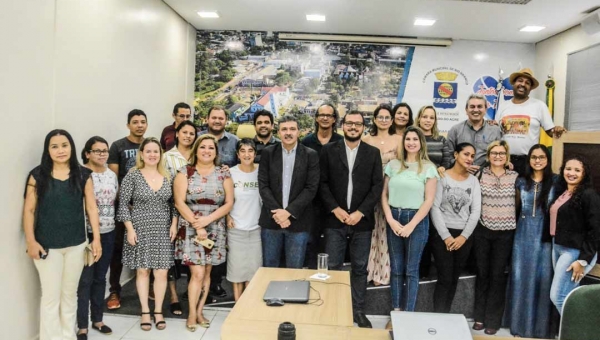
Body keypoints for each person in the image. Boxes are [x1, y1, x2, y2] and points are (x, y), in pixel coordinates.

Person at [23, 130, 102, 340]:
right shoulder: (37, 175)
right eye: (54, 146)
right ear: (47, 150)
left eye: (64, 145)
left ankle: (68, 336)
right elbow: (29, 210)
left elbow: (92, 209)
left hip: (76, 244)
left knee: (69, 295)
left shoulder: (83, 174)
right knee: (51, 297)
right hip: (47, 246)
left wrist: (97, 240)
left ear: (72, 147)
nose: (60, 150)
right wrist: (31, 241)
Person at [319, 111, 383, 328]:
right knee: (334, 266)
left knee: (359, 267)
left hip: (361, 221)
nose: (353, 127)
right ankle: (333, 308)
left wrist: (361, 212)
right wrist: (335, 209)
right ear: (342, 126)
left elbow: (377, 186)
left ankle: (358, 311)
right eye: (349, 123)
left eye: (357, 124)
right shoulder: (329, 151)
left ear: (363, 127)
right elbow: (322, 183)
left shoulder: (373, 153)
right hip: (334, 220)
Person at [173, 134, 234, 331]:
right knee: (197, 273)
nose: (207, 151)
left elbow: (229, 202)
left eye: (211, 148)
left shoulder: (223, 174)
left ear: (216, 152)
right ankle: (191, 313)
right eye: (203, 147)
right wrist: (198, 225)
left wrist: (208, 220)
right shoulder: (184, 172)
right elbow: (179, 202)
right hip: (192, 227)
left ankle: (200, 311)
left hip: (215, 227)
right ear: (196, 150)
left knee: (207, 271)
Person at [118, 137, 177, 331]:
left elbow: (175, 204)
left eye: (156, 151)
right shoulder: (133, 175)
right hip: (139, 228)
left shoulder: (168, 175)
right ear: (141, 154)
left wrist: (174, 224)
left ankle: (158, 310)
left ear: (160, 155)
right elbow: (123, 204)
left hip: (162, 228)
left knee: (161, 272)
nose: (152, 155)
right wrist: (129, 229)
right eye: (148, 151)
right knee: (143, 271)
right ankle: (144, 310)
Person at [382, 126, 438, 326]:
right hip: (394, 217)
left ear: (421, 142)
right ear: (403, 142)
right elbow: (384, 195)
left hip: (417, 220)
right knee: (396, 269)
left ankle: (409, 316)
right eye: (408, 139)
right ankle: (396, 313)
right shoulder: (393, 165)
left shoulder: (428, 168)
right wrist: (389, 218)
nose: (411, 142)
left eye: (415, 139)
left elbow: (429, 200)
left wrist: (411, 225)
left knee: (411, 270)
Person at [507, 144, 556, 338]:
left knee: (543, 278)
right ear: (529, 160)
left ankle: (540, 328)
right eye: (534, 157)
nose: (537, 160)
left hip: (545, 237)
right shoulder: (520, 181)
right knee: (520, 277)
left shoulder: (556, 182)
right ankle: (520, 326)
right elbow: (516, 209)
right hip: (523, 235)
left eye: (541, 157)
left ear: (547, 159)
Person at [259, 115, 320, 268]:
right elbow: (263, 186)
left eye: (292, 129)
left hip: (298, 222)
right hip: (272, 222)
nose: (288, 133)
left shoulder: (310, 155)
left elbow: (311, 188)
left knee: (295, 269)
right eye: (284, 129)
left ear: (299, 132)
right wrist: (278, 214)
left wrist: (288, 212)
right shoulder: (268, 153)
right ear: (278, 132)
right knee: (270, 267)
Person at [472, 141, 518, 335]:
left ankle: (493, 320)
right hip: (483, 231)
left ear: (507, 156)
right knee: (482, 274)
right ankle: (479, 317)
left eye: (501, 153)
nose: (498, 156)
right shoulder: (480, 175)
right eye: (494, 153)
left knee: (497, 276)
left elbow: (518, 201)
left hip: (505, 233)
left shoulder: (515, 177)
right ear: (488, 155)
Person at [430, 143, 481, 313]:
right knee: (444, 278)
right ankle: (438, 317)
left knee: (454, 279)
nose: (469, 158)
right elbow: (434, 207)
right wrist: (446, 236)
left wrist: (463, 237)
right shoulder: (442, 177)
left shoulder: (474, 181)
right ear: (456, 155)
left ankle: (446, 317)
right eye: (466, 154)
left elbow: (476, 211)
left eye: (472, 156)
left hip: (464, 237)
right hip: (443, 235)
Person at [76, 137, 118, 340]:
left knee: (101, 278)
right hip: (86, 234)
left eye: (105, 150)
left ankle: (98, 319)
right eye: (97, 151)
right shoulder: (80, 174)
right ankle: (82, 325)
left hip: (108, 232)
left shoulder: (112, 175)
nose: (102, 154)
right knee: (85, 280)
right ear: (87, 153)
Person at [546, 155, 600, 315]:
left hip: (574, 252)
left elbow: (596, 230)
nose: (572, 173)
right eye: (568, 169)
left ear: (584, 174)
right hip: (558, 246)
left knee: (559, 296)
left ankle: (584, 333)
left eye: (577, 170)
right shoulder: (562, 192)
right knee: (568, 295)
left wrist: (583, 260)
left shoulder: (589, 195)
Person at [106, 109, 148, 310]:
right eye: (135, 122)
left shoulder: (151, 146)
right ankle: (114, 290)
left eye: (142, 122)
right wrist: (127, 202)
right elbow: (115, 179)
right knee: (118, 249)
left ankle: (147, 287)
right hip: (124, 207)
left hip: (147, 207)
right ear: (128, 125)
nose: (139, 125)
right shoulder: (118, 146)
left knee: (146, 247)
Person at [199, 105, 238, 297]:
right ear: (207, 119)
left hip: (225, 204)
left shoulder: (234, 142)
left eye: (220, 118)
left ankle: (216, 283)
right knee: (198, 246)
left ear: (226, 121)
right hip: (198, 201)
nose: (217, 121)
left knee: (220, 246)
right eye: (213, 117)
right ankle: (195, 285)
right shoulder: (198, 139)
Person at [496, 68, 566, 175]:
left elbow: (550, 132)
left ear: (530, 88)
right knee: (505, 192)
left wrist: (557, 130)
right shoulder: (503, 106)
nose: (523, 84)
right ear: (514, 84)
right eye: (520, 80)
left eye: (527, 83)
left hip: (528, 161)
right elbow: (496, 132)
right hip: (505, 160)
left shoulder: (539, 105)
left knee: (525, 191)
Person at [162, 120, 198, 316]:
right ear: (177, 134)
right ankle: (174, 296)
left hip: (195, 213)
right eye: (185, 132)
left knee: (193, 255)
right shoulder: (167, 157)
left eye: (192, 133)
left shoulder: (198, 154)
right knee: (171, 257)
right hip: (172, 211)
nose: (188, 136)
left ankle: (193, 293)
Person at [301, 103, 343, 269]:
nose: (325, 118)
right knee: (312, 242)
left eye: (329, 115)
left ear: (334, 120)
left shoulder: (341, 142)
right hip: (311, 203)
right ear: (316, 118)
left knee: (332, 245)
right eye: (321, 115)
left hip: (335, 203)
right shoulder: (306, 142)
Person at [365, 104, 402, 286]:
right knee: (370, 230)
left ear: (392, 120)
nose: (384, 120)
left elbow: (404, 165)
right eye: (380, 117)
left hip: (391, 189)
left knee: (386, 229)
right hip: (369, 189)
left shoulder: (399, 140)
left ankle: (384, 273)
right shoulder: (366, 139)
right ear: (374, 119)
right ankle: (369, 270)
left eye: (387, 117)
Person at [414, 105, 452, 279]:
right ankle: (416, 268)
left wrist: (442, 167)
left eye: (431, 117)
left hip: (434, 189)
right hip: (414, 188)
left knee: (431, 228)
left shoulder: (441, 140)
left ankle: (427, 269)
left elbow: (447, 162)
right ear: (419, 118)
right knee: (417, 227)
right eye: (425, 116)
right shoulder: (413, 137)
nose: (428, 120)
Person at [226, 139, 262, 301]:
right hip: (236, 229)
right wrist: (227, 216)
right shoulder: (230, 173)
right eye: (243, 151)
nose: (247, 154)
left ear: (255, 153)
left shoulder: (262, 172)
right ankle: (237, 305)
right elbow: (223, 199)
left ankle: (248, 306)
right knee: (237, 271)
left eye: (250, 151)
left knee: (253, 271)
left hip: (256, 229)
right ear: (238, 154)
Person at [447, 94, 503, 174]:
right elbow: (448, 156)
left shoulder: (495, 130)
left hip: (487, 177)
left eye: (479, 106)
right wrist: (463, 166)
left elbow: (500, 155)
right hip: (460, 176)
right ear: (466, 110)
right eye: (472, 107)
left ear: (485, 109)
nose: (476, 110)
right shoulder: (455, 130)